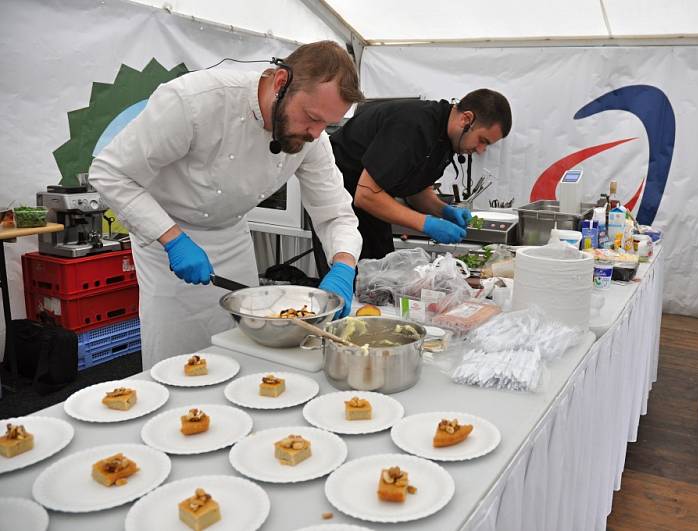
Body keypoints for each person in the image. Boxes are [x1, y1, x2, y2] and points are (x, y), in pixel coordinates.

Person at [90, 41, 363, 369]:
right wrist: (172, 238)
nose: (315, 134)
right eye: (311, 118)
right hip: (168, 242)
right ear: (280, 83)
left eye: (326, 125)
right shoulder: (194, 101)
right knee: (176, 359)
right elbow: (109, 173)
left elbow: (334, 213)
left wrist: (344, 266)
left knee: (244, 351)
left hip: (231, 239)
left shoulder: (313, 139)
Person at [311, 89, 512, 272]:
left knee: (380, 278)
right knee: (347, 279)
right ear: (466, 119)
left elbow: (415, 189)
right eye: (482, 140)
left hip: (373, 207)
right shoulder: (413, 125)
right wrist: (426, 224)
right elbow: (366, 195)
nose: (480, 150)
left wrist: (443, 211)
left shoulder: (445, 139)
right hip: (339, 201)